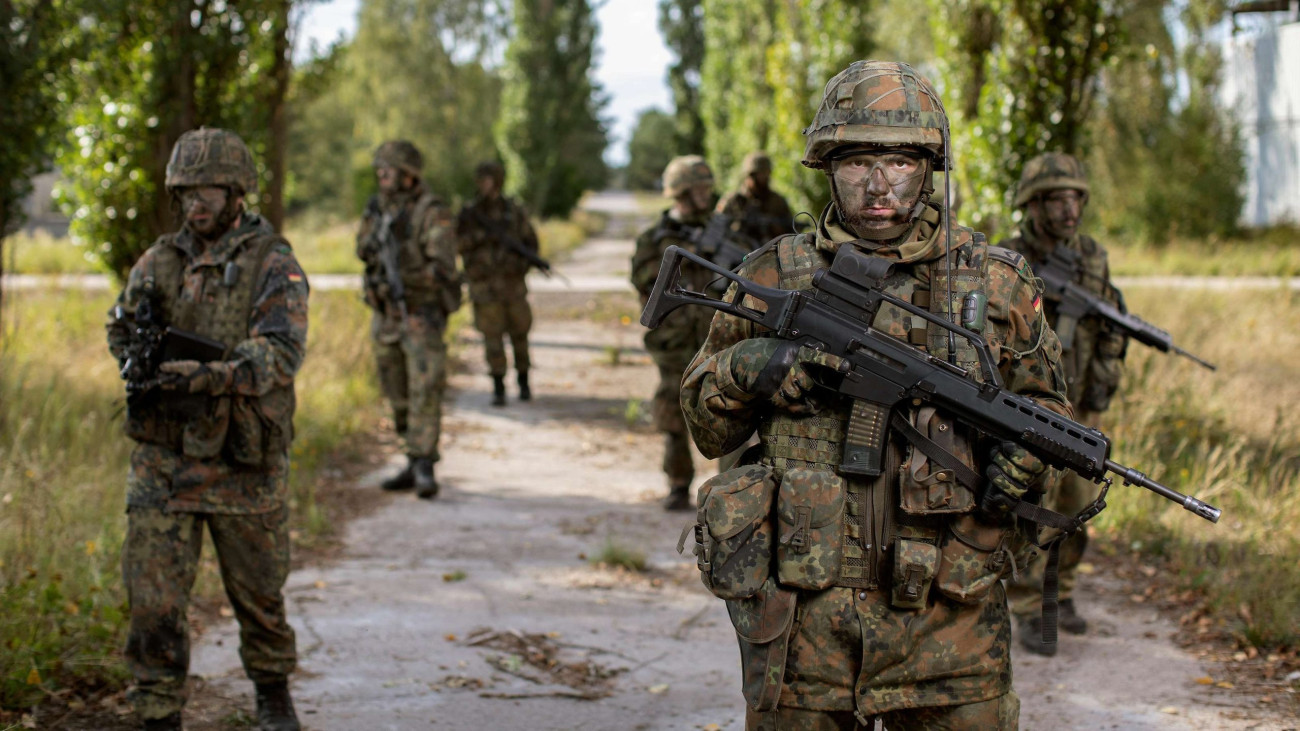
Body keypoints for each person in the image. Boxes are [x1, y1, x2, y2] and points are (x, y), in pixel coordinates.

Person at [679, 61, 1071, 728]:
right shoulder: (773, 274)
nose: (880, 182)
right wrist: (755, 364)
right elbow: (705, 422)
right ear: (828, 164)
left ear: (928, 166)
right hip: (805, 628)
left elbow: (1051, 411)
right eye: (859, 160)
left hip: (954, 621)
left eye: (900, 160)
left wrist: (1030, 459)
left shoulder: (997, 285)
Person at [106, 128, 307, 731]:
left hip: (241, 456)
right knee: (153, 598)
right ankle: (158, 711)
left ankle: (272, 692)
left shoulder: (272, 262)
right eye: (187, 190)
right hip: (165, 455)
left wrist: (210, 374)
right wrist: (137, 360)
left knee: (260, 596)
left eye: (210, 190)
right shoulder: (160, 260)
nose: (197, 202)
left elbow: (281, 354)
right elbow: (119, 324)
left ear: (237, 192)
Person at [999, 152, 1127, 655]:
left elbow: (1111, 327)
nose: (1068, 209)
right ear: (1033, 204)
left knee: (1076, 505)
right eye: (1056, 198)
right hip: (1029, 404)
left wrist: (1104, 381)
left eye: (1075, 197)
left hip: (1080, 406)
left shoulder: (1092, 257)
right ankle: (1031, 606)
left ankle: (1063, 593)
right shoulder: (1010, 258)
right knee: (1035, 509)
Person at [357, 140, 461, 499]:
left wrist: (408, 263)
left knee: (425, 390)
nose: (382, 176)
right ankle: (409, 454)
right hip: (385, 315)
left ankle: (424, 463)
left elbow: (444, 267)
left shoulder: (431, 211)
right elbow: (362, 249)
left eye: (389, 170)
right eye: (380, 170)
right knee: (395, 390)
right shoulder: (378, 209)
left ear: (409, 174)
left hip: (420, 314)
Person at [631, 155, 725, 511]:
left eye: (707, 187)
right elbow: (644, 282)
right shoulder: (656, 239)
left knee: (725, 411)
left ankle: (728, 488)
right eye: (699, 188)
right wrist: (691, 257)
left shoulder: (723, 230)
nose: (706, 194)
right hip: (674, 342)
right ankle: (677, 482)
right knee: (673, 411)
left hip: (719, 338)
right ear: (681, 192)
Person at [457, 161, 539, 407]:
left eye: (489, 179)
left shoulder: (513, 211)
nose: (484, 185)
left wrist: (519, 266)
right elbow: (458, 244)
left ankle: (523, 381)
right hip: (484, 288)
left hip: (513, 286)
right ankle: (498, 386)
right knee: (492, 339)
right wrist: (483, 237)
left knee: (520, 336)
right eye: (481, 180)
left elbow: (530, 244)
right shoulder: (470, 214)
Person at [717, 151, 794, 243]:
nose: (762, 178)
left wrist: (776, 228)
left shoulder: (777, 202)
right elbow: (716, 227)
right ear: (748, 175)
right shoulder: (733, 201)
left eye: (765, 174)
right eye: (758, 175)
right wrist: (738, 226)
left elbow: (791, 233)